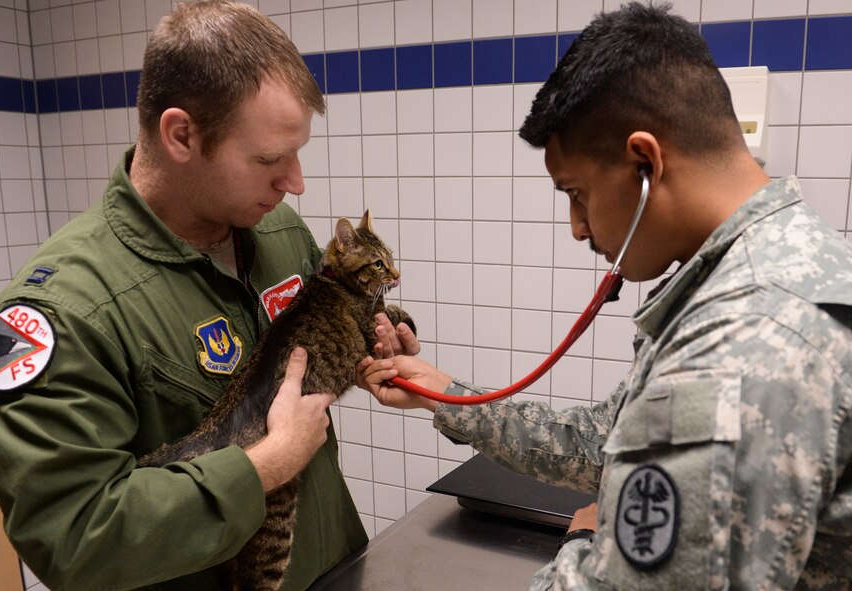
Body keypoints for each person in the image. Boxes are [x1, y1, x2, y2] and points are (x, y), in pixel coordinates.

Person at [361, 3, 852, 589]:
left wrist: (585, 543)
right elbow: (598, 442)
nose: (577, 226)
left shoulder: (744, 341)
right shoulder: (771, 264)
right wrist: (444, 396)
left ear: (645, 162)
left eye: (577, 193)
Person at [0, 2, 371, 589]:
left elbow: (309, 366)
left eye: (296, 153)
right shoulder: (63, 314)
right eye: (269, 159)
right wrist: (265, 465)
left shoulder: (281, 235)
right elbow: (75, 538)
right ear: (182, 134)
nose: (296, 184)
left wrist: (368, 347)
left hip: (331, 563)